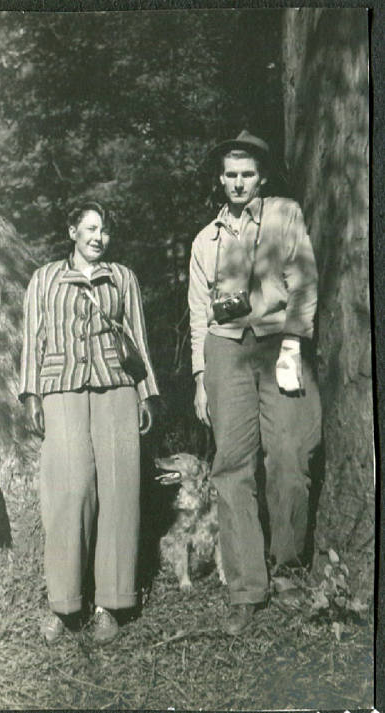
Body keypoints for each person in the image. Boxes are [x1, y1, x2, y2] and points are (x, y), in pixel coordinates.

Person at [188, 131, 322, 635]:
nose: (238, 183)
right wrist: (202, 377)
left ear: (260, 177)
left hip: (277, 343)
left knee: (288, 455)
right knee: (231, 465)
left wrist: (294, 341)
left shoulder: (284, 214)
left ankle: (287, 568)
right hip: (225, 352)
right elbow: (199, 312)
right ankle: (246, 587)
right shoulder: (207, 239)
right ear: (220, 179)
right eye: (230, 175)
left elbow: (304, 279)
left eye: (247, 174)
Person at [19, 200, 159, 645]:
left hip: (116, 387)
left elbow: (137, 336)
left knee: (119, 489)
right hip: (61, 387)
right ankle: (63, 603)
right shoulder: (44, 278)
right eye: (91, 229)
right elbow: (32, 338)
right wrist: (31, 392)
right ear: (72, 231)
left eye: (105, 231)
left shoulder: (123, 278)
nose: (99, 237)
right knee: (70, 488)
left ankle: (110, 603)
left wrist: (145, 393)